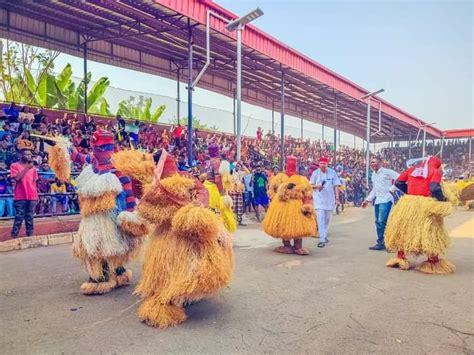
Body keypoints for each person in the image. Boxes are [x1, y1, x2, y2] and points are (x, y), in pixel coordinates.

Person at [384, 156, 455, 274]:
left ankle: (400, 258)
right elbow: (434, 187)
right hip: (425, 205)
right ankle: (433, 262)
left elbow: (398, 182)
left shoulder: (412, 169)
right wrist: (442, 199)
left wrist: (410, 192)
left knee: (404, 230)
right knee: (429, 232)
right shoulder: (435, 171)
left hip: (407, 204)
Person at [263, 156, 316, 255]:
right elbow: (271, 189)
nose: (291, 166)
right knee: (284, 224)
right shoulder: (280, 177)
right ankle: (288, 245)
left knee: (298, 226)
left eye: (293, 163)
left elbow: (307, 192)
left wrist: (307, 204)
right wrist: (277, 197)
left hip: (296, 205)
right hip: (283, 204)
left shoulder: (301, 179)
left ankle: (297, 246)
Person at [362, 157, 400, 250]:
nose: (371, 164)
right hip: (378, 200)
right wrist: (367, 200)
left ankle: (387, 241)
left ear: (380, 163)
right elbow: (374, 190)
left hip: (386, 200)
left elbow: (400, 178)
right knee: (378, 222)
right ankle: (381, 242)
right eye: (371, 162)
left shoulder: (387, 172)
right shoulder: (374, 175)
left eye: (373, 162)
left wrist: (393, 188)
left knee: (381, 221)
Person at [9, 140, 38, 238]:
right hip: (20, 195)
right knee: (19, 217)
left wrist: (36, 196)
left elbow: (34, 182)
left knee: (30, 217)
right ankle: (14, 236)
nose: (29, 156)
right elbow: (17, 178)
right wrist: (26, 168)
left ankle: (29, 235)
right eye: (26, 154)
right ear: (21, 155)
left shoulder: (33, 168)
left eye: (30, 155)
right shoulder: (15, 165)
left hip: (32, 195)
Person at [310, 156, 340, 248]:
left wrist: (337, 198)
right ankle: (322, 239)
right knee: (320, 218)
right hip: (319, 199)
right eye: (321, 163)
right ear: (319, 164)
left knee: (327, 219)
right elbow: (310, 185)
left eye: (324, 163)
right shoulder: (315, 173)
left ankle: (324, 235)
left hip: (329, 199)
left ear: (327, 164)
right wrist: (317, 186)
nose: (323, 165)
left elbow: (336, 186)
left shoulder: (332, 172)